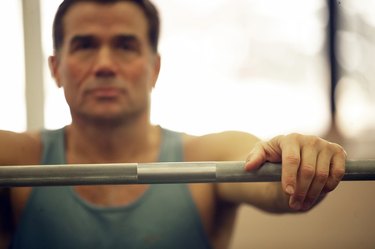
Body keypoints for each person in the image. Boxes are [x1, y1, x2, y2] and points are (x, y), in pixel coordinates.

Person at [0, 0, 346, 248]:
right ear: (56, 68)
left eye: (125, 45)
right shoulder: (18, 156)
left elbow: (276, 190)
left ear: (154, 68)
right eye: (85, 45)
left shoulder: (207, 153)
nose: (104, 65)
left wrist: (298, 159)